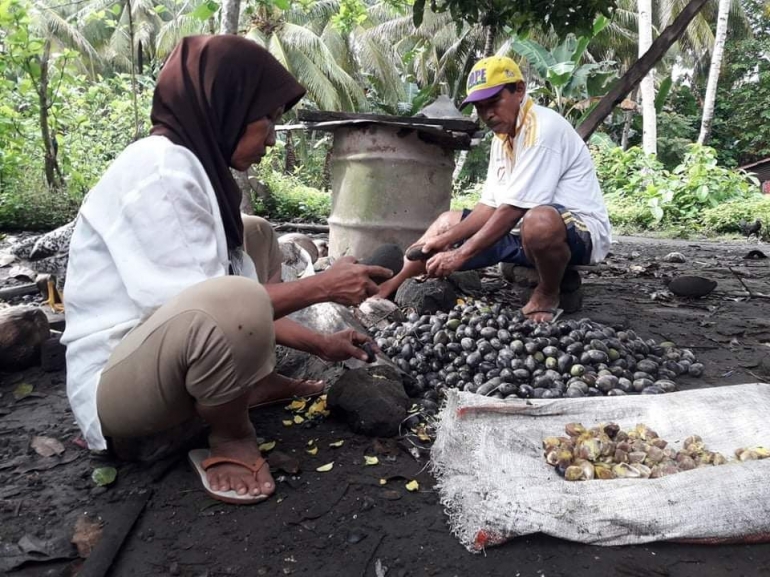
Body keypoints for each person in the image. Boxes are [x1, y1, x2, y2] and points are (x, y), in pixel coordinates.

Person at [61, 35, 392, 505]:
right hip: (116, 386)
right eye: (267, 120)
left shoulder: (195, 169)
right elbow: (217, 312)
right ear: (226, 106)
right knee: (231, 297)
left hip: (163, 355)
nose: (273, 138)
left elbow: (229, 311)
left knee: (251, 233)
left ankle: (252, 384)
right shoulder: (161, 171)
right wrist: (324, 285)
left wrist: (322, 344)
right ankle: (231, 436)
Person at [376, 56, 611, 322]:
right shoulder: (503, 138)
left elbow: (513, 210)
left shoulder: (542, 128)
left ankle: (548, 291)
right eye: (479, 107)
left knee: (539, 222)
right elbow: (489, 207)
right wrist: (444, 240)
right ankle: (394, 285)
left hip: (578, 234)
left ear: (519, 90)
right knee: (446, 222)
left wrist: (460, 254)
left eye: (494, 102)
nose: (487, 114)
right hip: (524, 233)